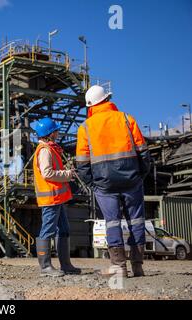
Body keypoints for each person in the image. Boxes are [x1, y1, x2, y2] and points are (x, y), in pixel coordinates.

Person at [76, 85, 151, 277]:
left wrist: (94, 185)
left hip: (104, 184)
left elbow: (82, 164)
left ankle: (119, 268)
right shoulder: (127, 119)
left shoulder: (85, 127)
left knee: (112, 223)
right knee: (136, 221)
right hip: (131, 180)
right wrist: (140, 176)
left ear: (90, 106)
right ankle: (138, 266)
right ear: (108, 100)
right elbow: (143, 152)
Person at [33, 118, 81, 276]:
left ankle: (66, 265)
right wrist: (68, 174)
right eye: (56, 130)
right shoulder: (45, 150)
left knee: (64, 230)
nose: (58, 133)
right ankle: (45, 267)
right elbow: (47, 173)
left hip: (57, 199)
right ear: (50, 133)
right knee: (47, 230)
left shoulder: (51, 149)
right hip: (50, 198)